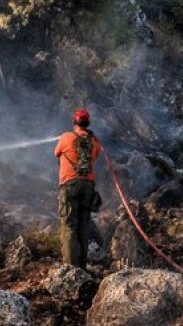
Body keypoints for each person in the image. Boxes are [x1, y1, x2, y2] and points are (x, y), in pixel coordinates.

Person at [54, 108, 101, 267]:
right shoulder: (94, 142)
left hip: (69, 185)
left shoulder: (66, 137)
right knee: (83, 225)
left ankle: (70, 268)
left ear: (75, 122)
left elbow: (56, 153)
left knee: (69, 226)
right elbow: (94, 157)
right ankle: (81, 266)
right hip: (88, 186)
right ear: (88, 123)